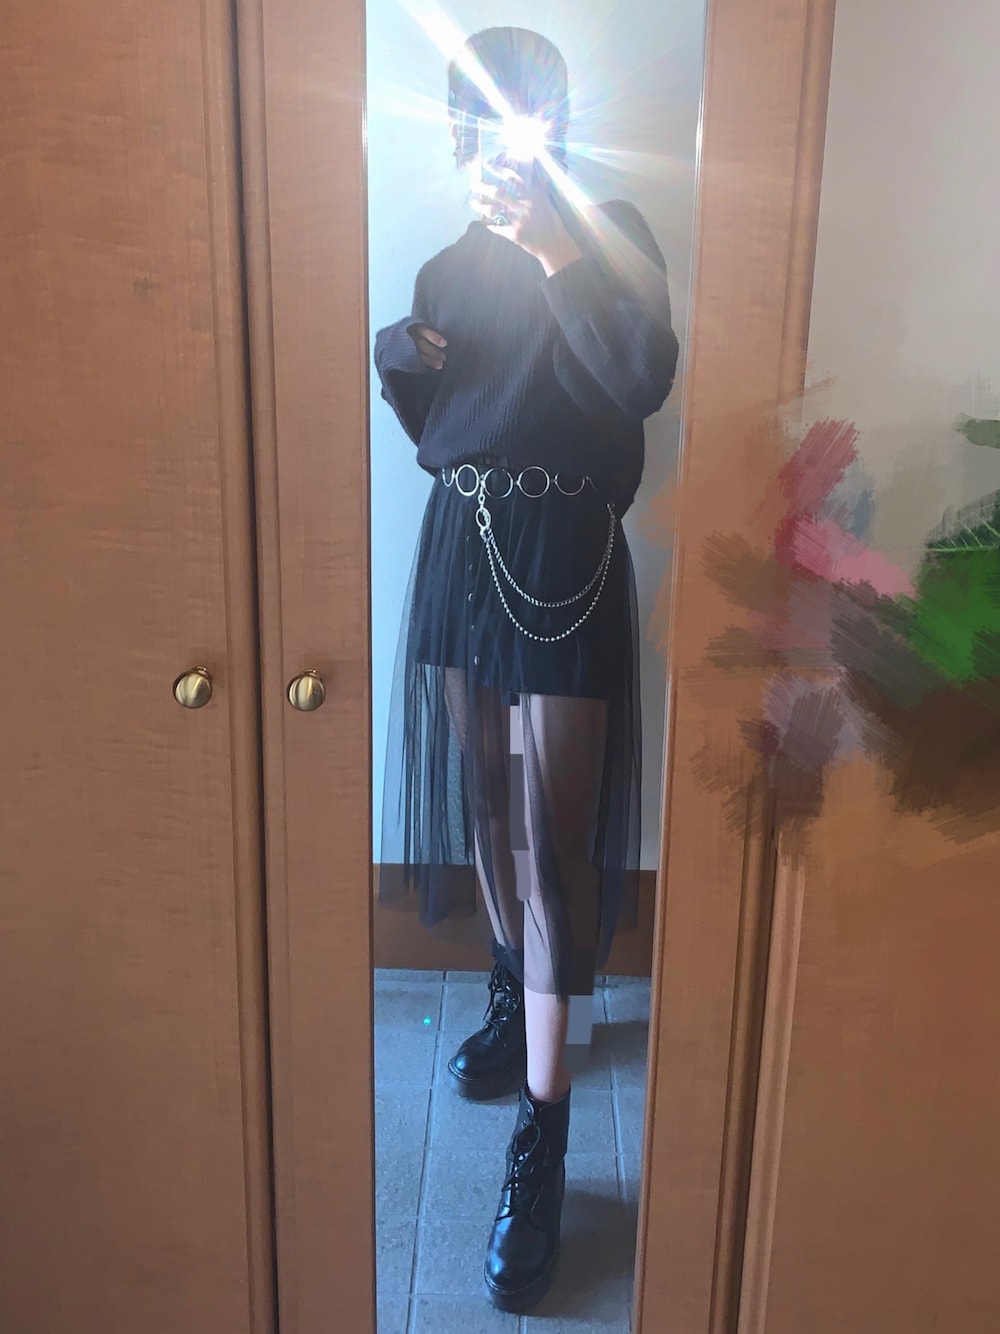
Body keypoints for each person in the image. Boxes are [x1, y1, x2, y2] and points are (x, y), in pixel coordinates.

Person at [374, 26, 678, 1313]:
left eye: (519, 113)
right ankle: (514, 988)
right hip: (466, 540)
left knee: (551, 837)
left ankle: (542, 1136)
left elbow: (640, 379)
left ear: (555, 120)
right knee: (488, 807)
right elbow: (434, 433)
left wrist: (557, 248)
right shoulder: (448, 265)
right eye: (477, 117)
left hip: (566, 552)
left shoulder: (612, 230)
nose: (497, 139)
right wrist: (403, 352)